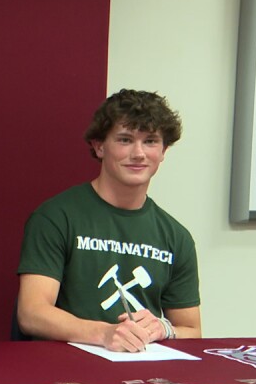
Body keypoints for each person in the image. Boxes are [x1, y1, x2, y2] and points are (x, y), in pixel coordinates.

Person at [16, 89, 201, 351]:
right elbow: (32, 313)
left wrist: (164, 328)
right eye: (125, 140)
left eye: (150, 141)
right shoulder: (56, 217)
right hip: (66, 373)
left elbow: (193, 331)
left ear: (163, 151)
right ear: (99, 146)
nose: (138, 153)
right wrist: (104, 334)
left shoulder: (176, 236)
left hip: (142, 376)